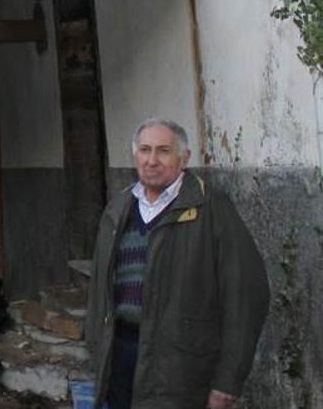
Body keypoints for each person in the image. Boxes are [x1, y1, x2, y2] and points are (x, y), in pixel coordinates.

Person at [85, 118, 269, 409]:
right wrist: (97, 350)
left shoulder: (210, 208)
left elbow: (245, 296)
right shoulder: (118, 209)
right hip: (121, 354)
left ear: (184, 159)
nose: (152, 160)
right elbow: (99, 289)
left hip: (181, 366)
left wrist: (226, 382)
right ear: (135, 156)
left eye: (163, 151)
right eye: (145, 150)